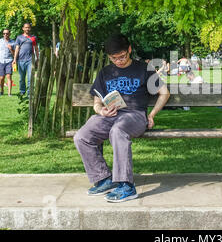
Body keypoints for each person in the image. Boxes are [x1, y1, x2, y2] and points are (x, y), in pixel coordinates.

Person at [73, 34, 170, 203]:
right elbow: (97, 102)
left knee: (118, 130)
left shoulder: (144, 69)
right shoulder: (105, 72)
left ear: (129, 50)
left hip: (135, 115)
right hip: (111, 115)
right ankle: (103, 179)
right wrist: (101, 110)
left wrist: (152, 114)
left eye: (122, 56)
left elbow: (164, 93)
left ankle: (126, 186)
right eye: (114, 58)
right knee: (82, 137)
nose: (118, 61)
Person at [13, 23, 39, 96]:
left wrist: (38, 58)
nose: (27, 29)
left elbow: (36, 49)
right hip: (21, 60)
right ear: (23, 28)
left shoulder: (33, 37)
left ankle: (29, 93)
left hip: (30, 60)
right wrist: (14, 59)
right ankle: (22, 91)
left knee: (30, 78)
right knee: (21, 78)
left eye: (28, 27)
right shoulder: (19, 37)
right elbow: (17, 48)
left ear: (30, 28)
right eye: (26, 27)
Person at [0, 29, 16, 96]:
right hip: (1, 61)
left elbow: (15, 54)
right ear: (3, 34)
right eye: (4, 33)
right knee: (2, 77)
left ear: (9, 34)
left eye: (7, 33)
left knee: (9, 76)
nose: (5, 35)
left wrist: (11, 49)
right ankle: (2, 90)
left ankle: (9, 93)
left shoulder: (13, 42)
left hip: (9, 61)